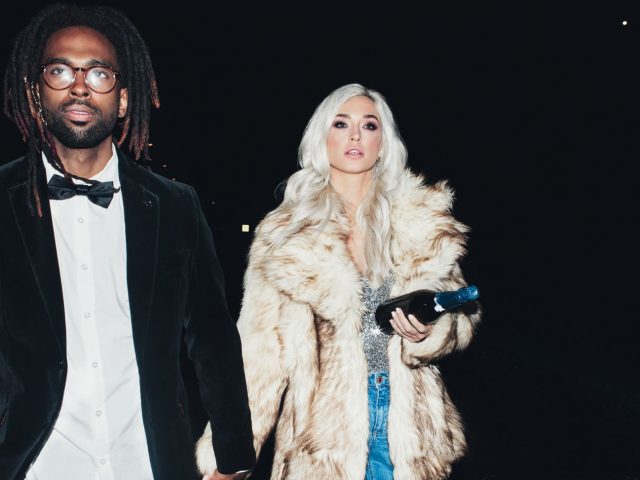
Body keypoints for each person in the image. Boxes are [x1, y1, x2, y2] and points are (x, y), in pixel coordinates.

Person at [0, 4, 255, 480]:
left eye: (98, 73)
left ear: (122, 101)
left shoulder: (175, 206)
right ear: (36, 94)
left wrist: (234, 454)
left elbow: (212, 337)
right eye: (60, 70)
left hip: (149, 462)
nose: (79, 86)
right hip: (36, 465)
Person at [195, 83, 481, 480]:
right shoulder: (286, 235)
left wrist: (430, 332)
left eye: (369, 125)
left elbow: (463, 314)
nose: (355, 136)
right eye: (341, 124)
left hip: (412, 437)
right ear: (322, 138)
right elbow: (259, 357)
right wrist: (228, 458)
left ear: (383, 142)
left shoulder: (421, 221)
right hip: (322, 443)